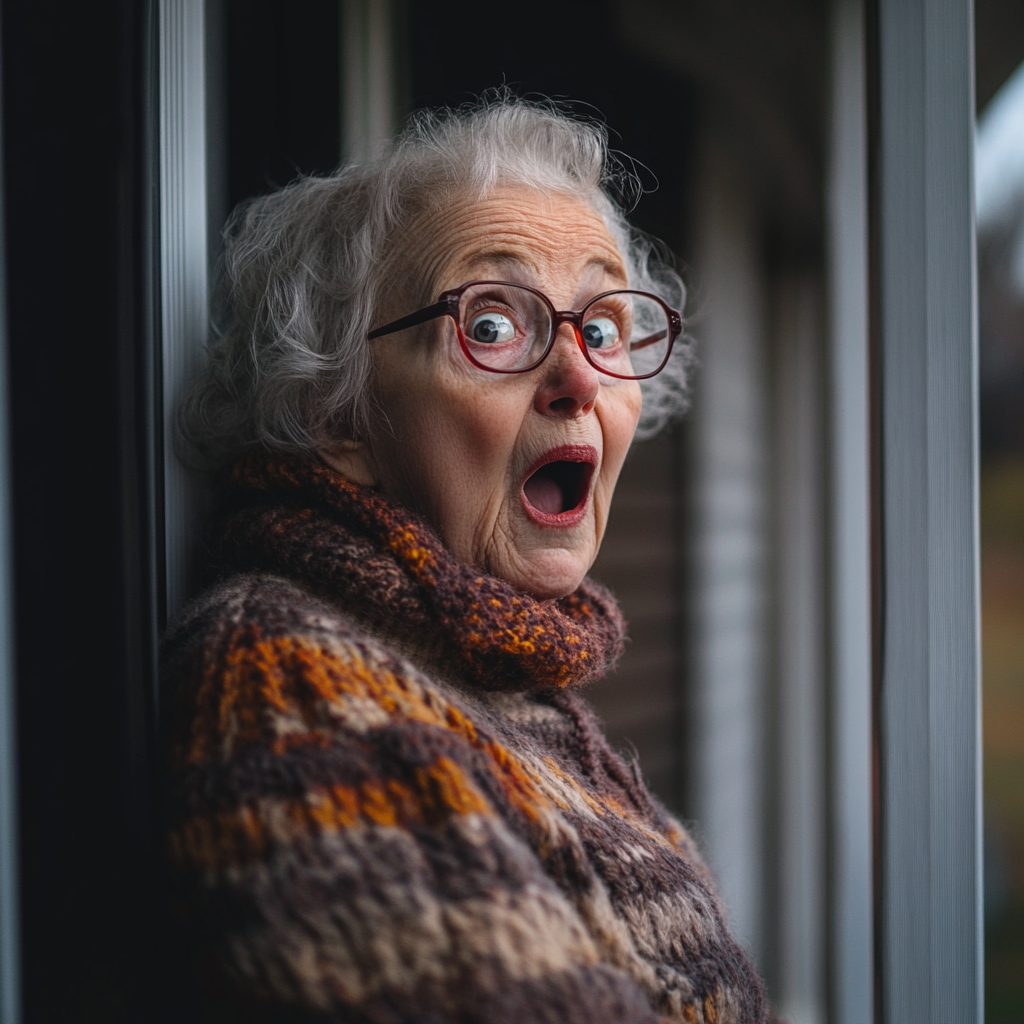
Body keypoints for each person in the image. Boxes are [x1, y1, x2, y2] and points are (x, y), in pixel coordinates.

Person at [164, 95, 773, 1024]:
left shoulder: (489, 677)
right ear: (337, 413)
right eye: (491, 324)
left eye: (601, 328)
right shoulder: (292, 681)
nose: (579, 377)